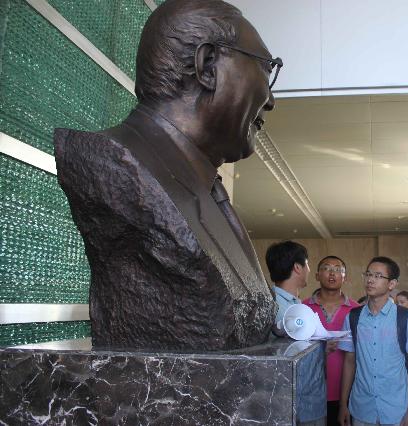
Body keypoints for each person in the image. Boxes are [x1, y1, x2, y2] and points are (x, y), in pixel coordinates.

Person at [53, 0, 281, 350]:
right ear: (207, 66)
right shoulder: (120, 165)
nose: (271, 100)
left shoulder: (206, 185)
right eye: (266, 69)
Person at [338, 256, 408, 426]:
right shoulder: (353, 318)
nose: (370, 280)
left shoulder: (405, 317)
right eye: (368, 274)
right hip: (362, 408)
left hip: (396, 410)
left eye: (378, 276)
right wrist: (343, 404)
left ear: (391, 284)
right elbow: (349, 362)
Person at [303, 256, 359, 426]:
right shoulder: (302, 309)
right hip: (309, 393)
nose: (332, 273)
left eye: (338, 270)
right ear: (317, 275)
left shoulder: (357, 311)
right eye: (326, 268)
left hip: (348, 394)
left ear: (345, 277)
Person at [265, 240, 310, 336]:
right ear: (297, 267)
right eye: (307, 264)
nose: (309, 270)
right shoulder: (271, 305)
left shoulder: (293, 303)